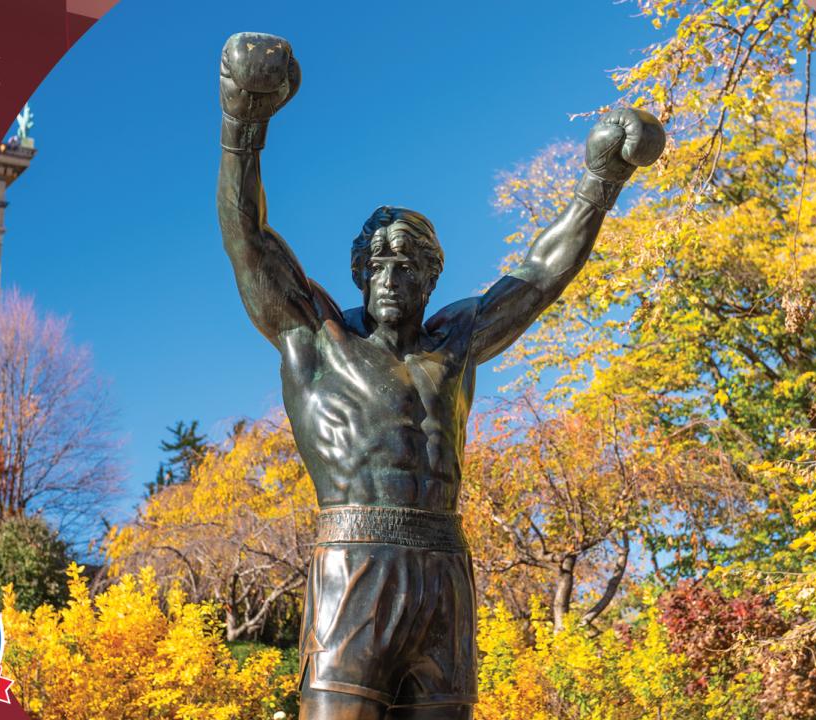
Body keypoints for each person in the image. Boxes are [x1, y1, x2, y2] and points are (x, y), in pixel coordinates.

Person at [216, 32, 665, 720]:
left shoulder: (457, 341)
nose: (392, 275)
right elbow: (249, 239)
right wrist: (243, 122)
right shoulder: (317, 335)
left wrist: (599, 182)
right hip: (354, 566)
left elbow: (541, 275)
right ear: (359, 274)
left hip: (444, 573)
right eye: (378, 262)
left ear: (433, 276)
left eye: (409, 262)